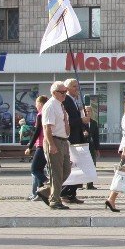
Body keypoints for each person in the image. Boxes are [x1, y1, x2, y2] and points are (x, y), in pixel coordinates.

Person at [36, 81, 71, 210]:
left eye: (65, 91)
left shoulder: (60, 105)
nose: (64, 94)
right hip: (54, 140)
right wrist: (51, 144)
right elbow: (47, 128)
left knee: (66, 171)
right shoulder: (50, 105)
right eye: (62, 92)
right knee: (56, 173)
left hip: (63, 140)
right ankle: (55, 200)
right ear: (54, 93)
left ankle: (46, 191)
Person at [60, 78, 90, 204]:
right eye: (74, 86)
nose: (77, 89)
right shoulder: (66, 100)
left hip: (78, 137)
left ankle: (72, 193)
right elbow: (66, 121)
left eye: (77, 86)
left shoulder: (75, 100)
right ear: (67, 89)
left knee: (80, 166)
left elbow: (77, 118)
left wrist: (84, 125)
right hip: (71, 138)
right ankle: (64, 192)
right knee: (73, 167)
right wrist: (81, 121)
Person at [25, 96, 48, 200]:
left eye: (37, 103)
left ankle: (47, 182)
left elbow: (37, 131)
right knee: (40, 169)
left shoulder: (40, 114)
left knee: (34, 169)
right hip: (47, 144)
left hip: (42, 145)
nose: (35, 105)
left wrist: (30, 146)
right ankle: (40, 193)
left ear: (41, 104)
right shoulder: (48, 113)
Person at [85, 109, 100, 190]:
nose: (87, 113)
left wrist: (97, 149)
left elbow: (96, 137)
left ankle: (90, 184)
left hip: (91, 147)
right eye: (86, 111)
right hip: (83, 146)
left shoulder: (94, 123)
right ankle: (78, 184)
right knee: (82, 166)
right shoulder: (81, 121)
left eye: (89, 111)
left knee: (92, 166)